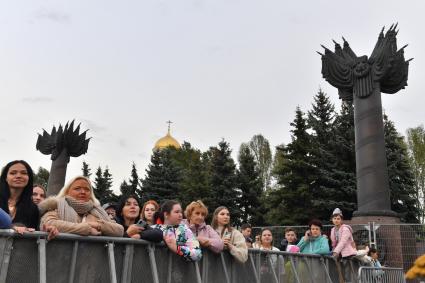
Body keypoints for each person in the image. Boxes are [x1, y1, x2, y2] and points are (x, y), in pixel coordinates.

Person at [39, 176, 123, 236]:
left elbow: (119, 230)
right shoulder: (56, 207)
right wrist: (86, 229)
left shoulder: (97, 211)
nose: (83, 192)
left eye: (87, 189)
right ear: (67, 192)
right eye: (77, 188)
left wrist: (97, 225)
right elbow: (49, 223)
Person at [0, 160, 40, 232]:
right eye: (13, 173)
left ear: (29, 178)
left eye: (24, 173)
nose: (18, 176)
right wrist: (11, 227)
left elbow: (35, 233)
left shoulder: (33, 208)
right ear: (5, 178)